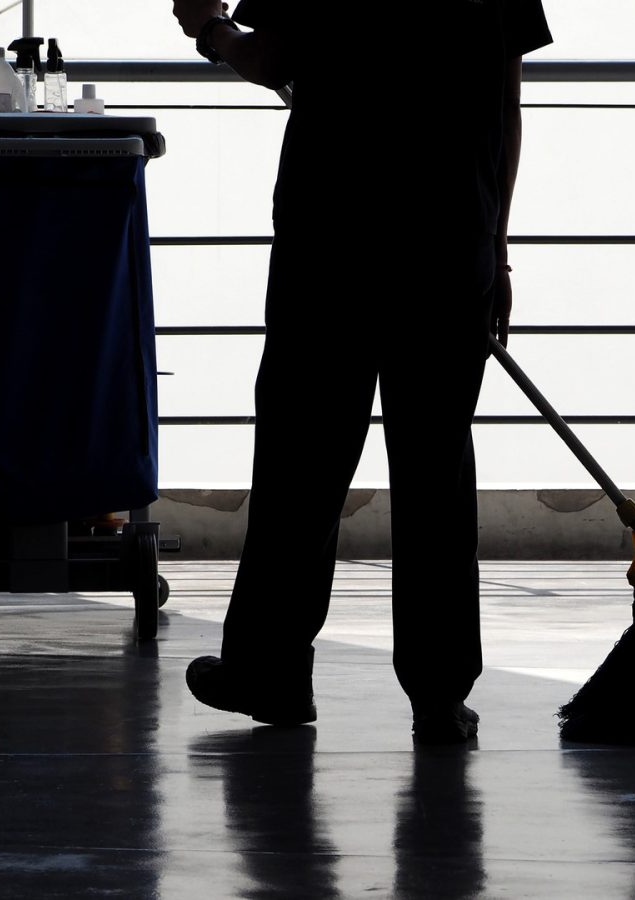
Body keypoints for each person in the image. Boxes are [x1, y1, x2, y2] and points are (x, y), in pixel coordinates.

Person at [172, 0, 553, 744]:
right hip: (450, 238)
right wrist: (496, 247)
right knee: (435, 469)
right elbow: (505, 106)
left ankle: (270, 670)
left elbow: (275, 59)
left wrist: (211, 32)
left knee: (302, 459)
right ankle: (440, 695)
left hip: (333, 235)